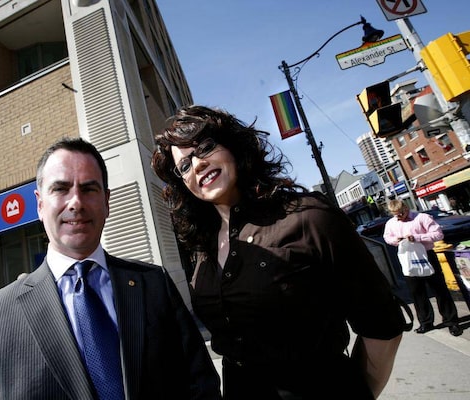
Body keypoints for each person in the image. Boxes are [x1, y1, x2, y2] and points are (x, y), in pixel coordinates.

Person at [151, 105, 407, 399]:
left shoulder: (310, 216)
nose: (197, 165)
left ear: (233, 146)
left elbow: (382, 326)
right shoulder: (202, 247)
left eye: (205, 147)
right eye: (184, 166)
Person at [0, 138, 221, 399]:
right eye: (60, 189)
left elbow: (201, 384)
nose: (76, 202)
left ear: (107, 202)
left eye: (89, 189)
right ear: (40, 204)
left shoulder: (154, 284)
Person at [383, 199, 463, 337]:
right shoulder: (391, 223)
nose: (399, 217)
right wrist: (396, 240)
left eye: (401, 213)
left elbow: (438, 234)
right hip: (408, 258)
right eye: (395, 215)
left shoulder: (422, 218)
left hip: (427, 255)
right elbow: (387, 237)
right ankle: (425, 322)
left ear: (406, 208)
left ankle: (451, 321)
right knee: (416, 292)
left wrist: (417, 237)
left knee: (439, 289)